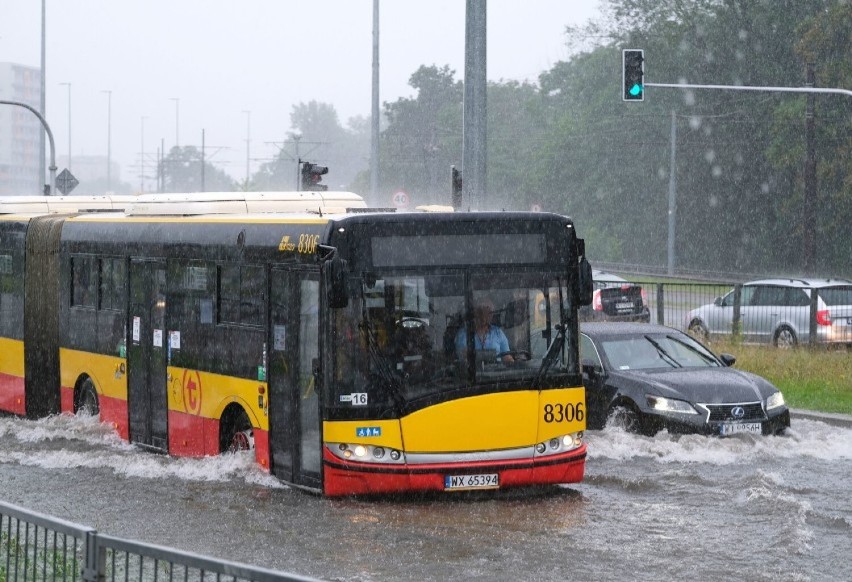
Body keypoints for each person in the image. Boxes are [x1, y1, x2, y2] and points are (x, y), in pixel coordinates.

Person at [455, 298, 514, 363]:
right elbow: (464, 358)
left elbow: (507, 357)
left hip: (497, 372)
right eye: (482, 311)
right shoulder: (463, 334)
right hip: (473, 371)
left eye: (490, 312)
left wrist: (513, 363)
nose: (485, 315)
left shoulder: (498, 333)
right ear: (475, 312)